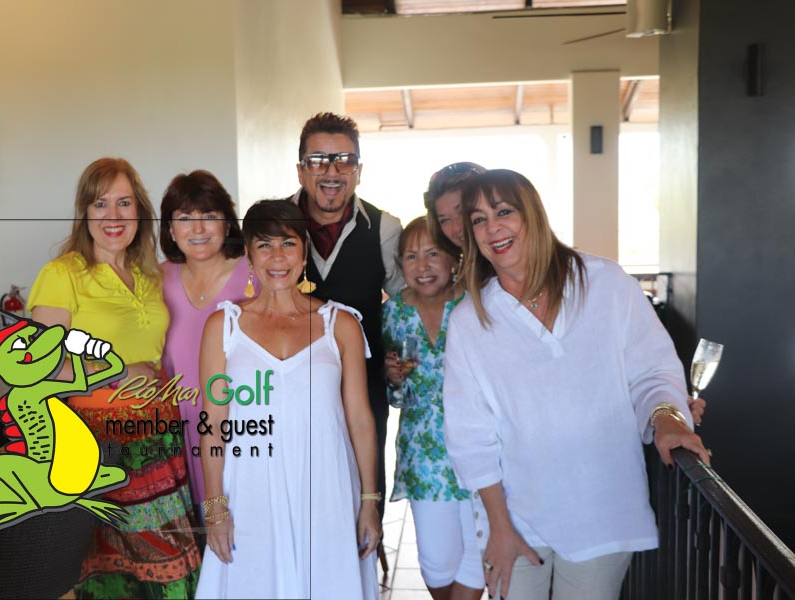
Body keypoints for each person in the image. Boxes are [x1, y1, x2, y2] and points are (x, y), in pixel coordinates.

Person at [443, 169, 711, 600]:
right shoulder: (470, 320)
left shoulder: (606, 283)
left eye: (504, 212)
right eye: (478, 220)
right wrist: (499, 527)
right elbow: (470, 436)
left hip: (603, 510)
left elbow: (653, 371)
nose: (492, 228)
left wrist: (667, 417)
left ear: (532, 214)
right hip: (515, 517)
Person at [28, 158, 200, 599]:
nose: (113, 215)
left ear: (139, 210)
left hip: (159, 443)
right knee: (114, 577)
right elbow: (41, 366)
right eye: (100, 203)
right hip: (100, 445)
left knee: (174, 571)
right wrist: (119, 371)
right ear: (84, 211)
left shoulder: (149, 275)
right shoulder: (63, 274)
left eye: (124, 203)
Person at [195, 200, 380, 599]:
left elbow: (361, 420)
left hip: (327, 487)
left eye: (288, 244)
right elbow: (212, 424)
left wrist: (369, 500)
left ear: (304, 251)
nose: (277, 257)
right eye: (264, 245)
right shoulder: (223, 327)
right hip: (251, 488)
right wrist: (215, 506)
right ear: (249, 255)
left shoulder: (341, 324)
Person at [291, 112, 404, 527]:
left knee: (363, 507)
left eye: (345, 160)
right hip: (293, 393)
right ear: (301, 170)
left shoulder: (385, 228)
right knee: (298, 504)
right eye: (318, 160)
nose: (332, 171)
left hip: (366, 391)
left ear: (359, 170)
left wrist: (397, 355)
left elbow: (405, 301)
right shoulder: (274, 223)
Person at [382, 216, 484, 600]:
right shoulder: (393, 314)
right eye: (411, 257)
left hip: (481, 449)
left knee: (479, 554)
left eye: (433, 254)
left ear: (454, 259)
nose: (422, 266)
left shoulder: (475, 302)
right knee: (437, 562)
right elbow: (395, 397)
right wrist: (394, 378)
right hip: (424, 457)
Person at [159, 169, 256, 510]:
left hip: (241, 426)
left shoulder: (256, 274)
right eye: (185, 218)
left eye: (209, 216)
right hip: (176, 429)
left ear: (227, 224)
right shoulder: (156, 279)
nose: (198, 229)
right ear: (171, 229)